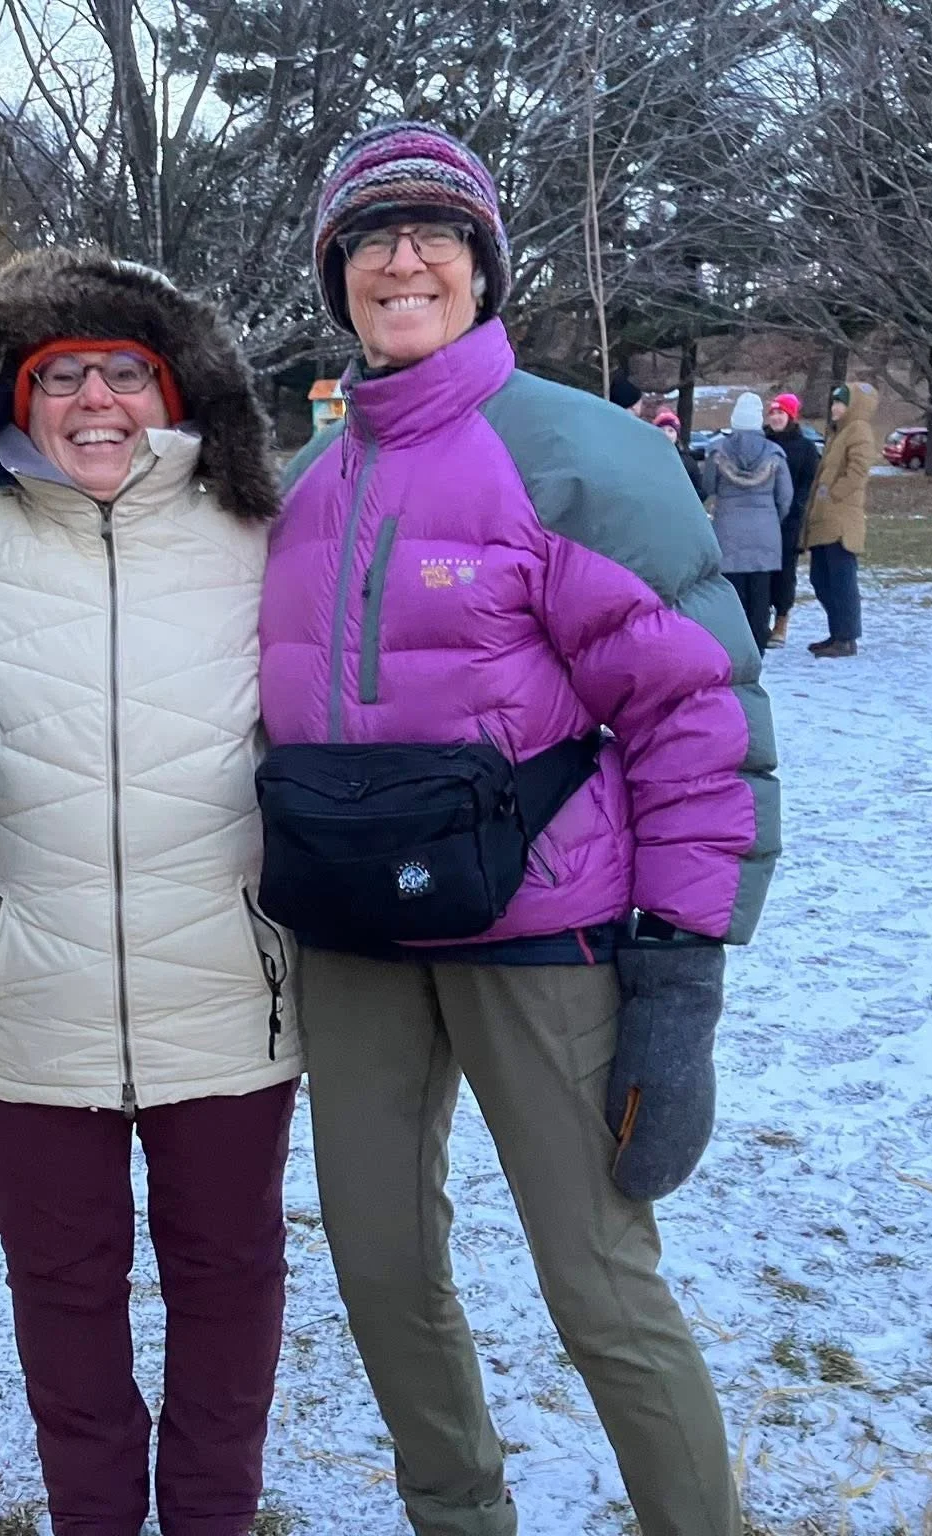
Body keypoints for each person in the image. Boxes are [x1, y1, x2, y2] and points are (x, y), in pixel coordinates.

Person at [261, 121, 777, 1536]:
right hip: (360, 940)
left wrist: (682, 965)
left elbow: (696, 713)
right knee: (376, 1260)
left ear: (483, 267)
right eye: (371, 237)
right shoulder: (309, 484)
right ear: (338, 276)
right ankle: (457, 1513)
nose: (403, 257)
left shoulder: (573, 455)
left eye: (435, 232)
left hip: (542, 937)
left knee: (597, 1280)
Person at [0, 247, 302, 1536]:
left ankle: (209, 1519)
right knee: (63, 1300)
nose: (94, 402)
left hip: (227, 1000)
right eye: (58, 375)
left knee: (229, 1287)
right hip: (28, 1005)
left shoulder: (259, 533)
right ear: (12, 400)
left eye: (123, 373)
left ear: (171, 390)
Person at [702, 392, 791, 653]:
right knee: (761, 594)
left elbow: (709, 486)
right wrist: (773, 518)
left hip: (728, 529)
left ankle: (735, 646)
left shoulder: (717, 451)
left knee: (733, 594)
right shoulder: (775, 453)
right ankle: (758, 647)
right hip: (765, 531)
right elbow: (785, 497)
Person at [804, 382, 876, 657]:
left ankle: (846, 638)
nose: (835, 408)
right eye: (834, 402)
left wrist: (834, 494)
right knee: (821, 579)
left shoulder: (858, 430)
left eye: (841, 403)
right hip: (826, 519)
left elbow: (859, 469)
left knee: (841, 580)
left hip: (841, 521)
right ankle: (837, 632)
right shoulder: (840, 433)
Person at [763, 392, 819, 647]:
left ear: (791, 416)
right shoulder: (762, 442)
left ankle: (782, 620)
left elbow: (810, 483)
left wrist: (796, 508)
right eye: (772, 412)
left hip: (789, 521)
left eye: (780, 413)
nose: (775, 417)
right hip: (761, 519)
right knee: (761, 574)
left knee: (785, 574)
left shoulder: (805, 448)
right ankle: (759, 620)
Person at [654, 409, 701, 490]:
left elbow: (700, 490)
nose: (666, 434)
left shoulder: (687, 462)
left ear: (677, 436)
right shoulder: (647, 458)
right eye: (662, 430)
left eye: (671, 430)